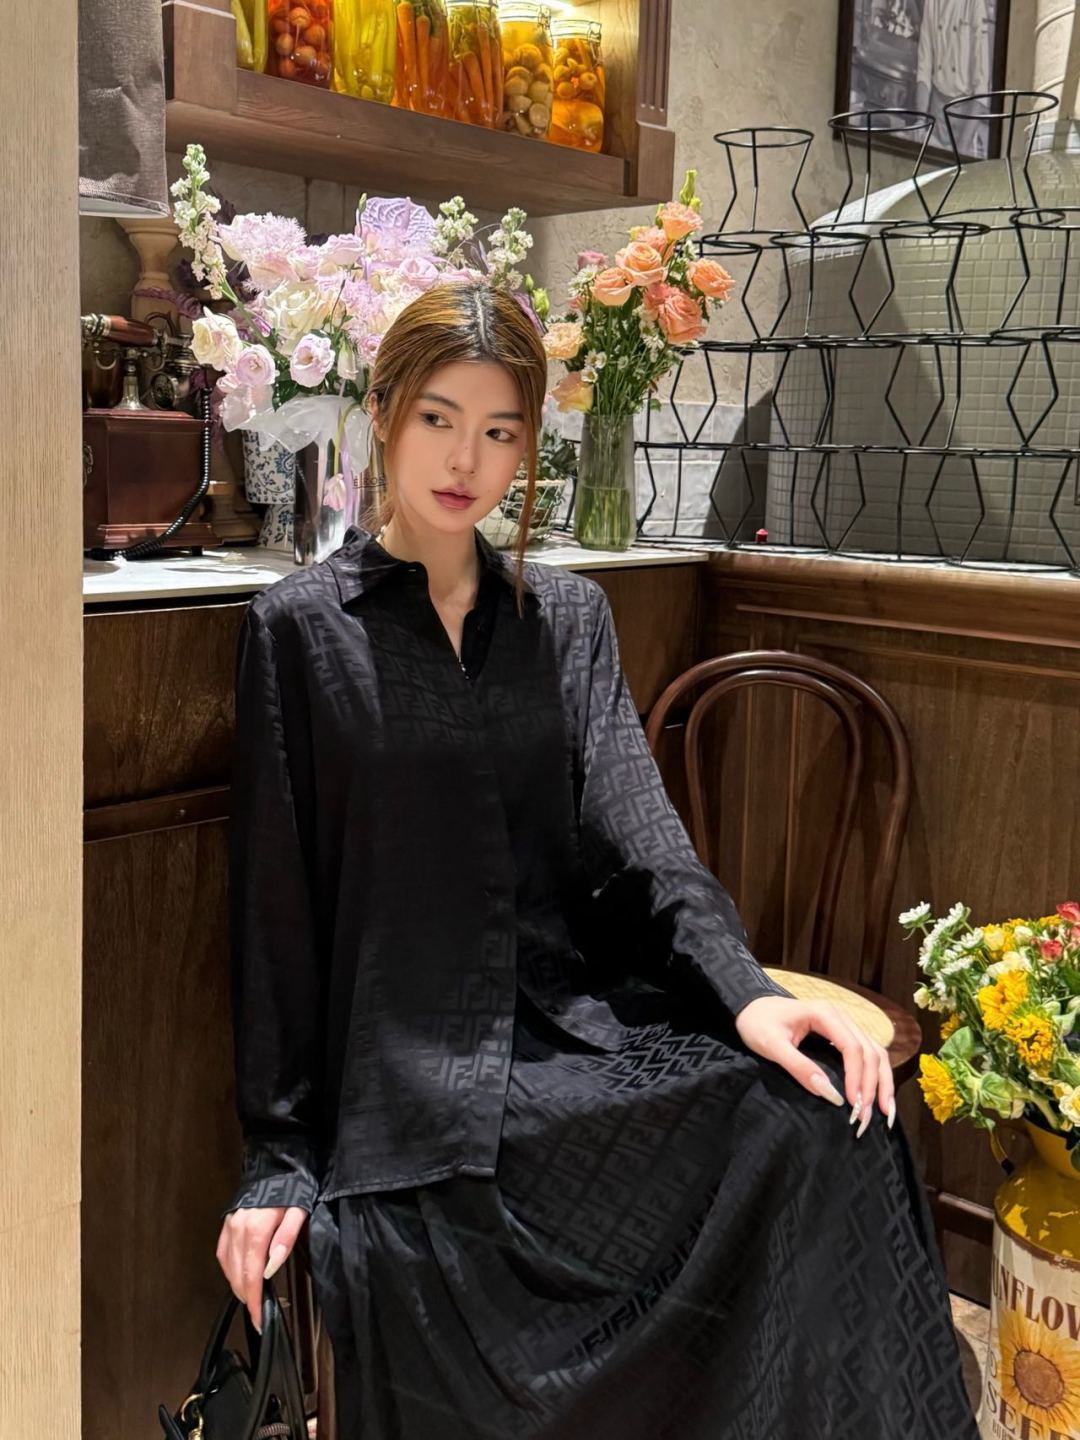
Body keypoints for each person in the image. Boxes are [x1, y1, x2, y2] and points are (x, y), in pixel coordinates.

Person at [215, 279, 978, 1439]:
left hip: (572, 1038)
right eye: (438, 418)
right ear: (382, 411)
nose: (465, 459)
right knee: (432, 1255)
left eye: (499, 430)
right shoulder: (298, 631)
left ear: (530, 445)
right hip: (412, 1083)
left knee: (826, 1122)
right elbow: (276, 917)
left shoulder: (567, 620)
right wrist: (278, 1155)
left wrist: (749, 994)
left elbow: (644, 834)